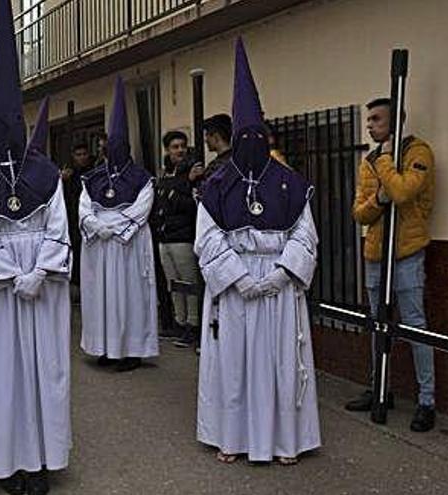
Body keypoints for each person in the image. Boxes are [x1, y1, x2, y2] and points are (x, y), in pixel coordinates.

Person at [0, 2, 71, 493]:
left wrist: (40, 273)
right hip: (2, 293)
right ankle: (7, 461)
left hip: (39, 292)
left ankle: (42, 458)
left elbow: (60, 226)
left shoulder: (46, 174)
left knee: (43, 370)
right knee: (3, 373)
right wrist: (12, 275)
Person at [195, 37, 320, 465]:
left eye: (256, 134)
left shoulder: (290, 181)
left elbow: (305, 234)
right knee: (235, 364)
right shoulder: (217, 184)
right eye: (242, 135)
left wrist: (282, 273)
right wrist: (238, 277)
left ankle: (285, 440)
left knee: (281, 362)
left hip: (277, 285)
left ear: (265, 136)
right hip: (237, 286)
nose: (250, 141)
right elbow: (207, 237)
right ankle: (234, 437)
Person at [346, 97, 436, 432]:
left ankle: (427, 401)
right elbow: (360, 212)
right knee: (377, 325)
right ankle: (380, 386)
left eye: (376, 119)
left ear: (396, 120)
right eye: (368, 120)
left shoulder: (417, 152)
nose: (370, 125)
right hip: (375, 254)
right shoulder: (369, 161)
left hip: (407, 253)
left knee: (414, 325)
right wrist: (379, 197)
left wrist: (384, 165)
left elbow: (403, 192)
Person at [79, 76, 158, 372]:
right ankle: (104, 347)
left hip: (129, 246)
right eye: (109, 145)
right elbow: (84, 207)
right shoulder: (93, 178)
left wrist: (116, 230)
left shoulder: (141, 178)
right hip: (100, 245)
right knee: (101, 297)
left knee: (130, 296)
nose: (112, 150)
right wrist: (98, 228)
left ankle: (132, 350)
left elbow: (142, 210)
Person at [153, 130, 201, 348]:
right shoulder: (166, 173)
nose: (180, 150)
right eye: (175, 147)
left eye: (182, 145)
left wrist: (176, 189)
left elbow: (190, 206)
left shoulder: (193, 171)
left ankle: (193, 325)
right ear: (167, 150)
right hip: (165, 238)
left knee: (189, 284)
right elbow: (160, 201)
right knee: (175, 284)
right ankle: (179, 323)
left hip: (183, 237)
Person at [62, 141, 93, 290]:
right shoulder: (69, 175)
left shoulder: (94, 173)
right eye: (78, 155)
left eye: (84, 154)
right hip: (73, 221)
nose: (81, 158)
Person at [190, 113, 233, 196]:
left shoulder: (220, 166)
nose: (205, 140)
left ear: (216, 137)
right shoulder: (236, 160)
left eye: (207, 135)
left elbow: (205, 192)